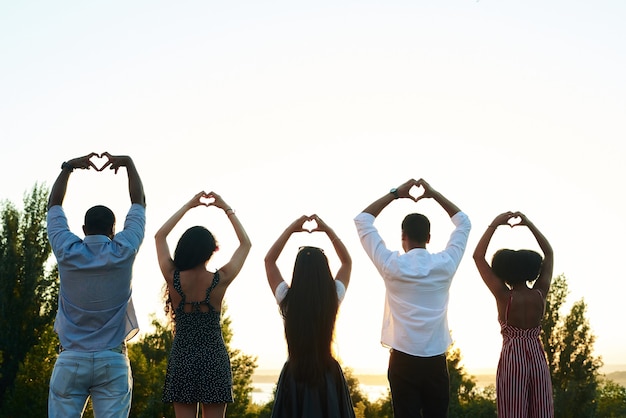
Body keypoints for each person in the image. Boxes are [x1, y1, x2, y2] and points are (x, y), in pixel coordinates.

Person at [354, 178, 471, 418]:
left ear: (402, 236)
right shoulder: (445, 264)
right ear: (429, 237)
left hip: (402, 359)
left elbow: (363, 220)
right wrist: (434, 194)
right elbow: (463, 224)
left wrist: (396, 194)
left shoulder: (391, 265)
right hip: (435, 360)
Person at [47, 152, 146, 418]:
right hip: (112, 361)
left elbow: (53, 206)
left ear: (82, 228)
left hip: (70, 359)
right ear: (114, 230)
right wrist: (128, 164)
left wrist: (68, 168)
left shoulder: (66, 250)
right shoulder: (124, 250)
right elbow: (139, 203)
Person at [155, 191, 251, 418]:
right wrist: (226, 208)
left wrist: (188, 205)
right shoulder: (220, 279)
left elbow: (160, 236)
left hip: (183, 357)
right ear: (211, 251)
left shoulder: (173, 277)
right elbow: (245, 244)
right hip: (213, 357)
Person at [264, 214, 356, 418]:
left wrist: (291, 228)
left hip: (295, 375)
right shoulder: (332, 297)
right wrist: (327, 230)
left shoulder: (287, 299)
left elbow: (269, 261)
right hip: (328, 376)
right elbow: (347, 262)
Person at [472, 211, 554, 418]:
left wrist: (494, 224)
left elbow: (478, 256)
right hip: (536, 355)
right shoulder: (539, 293)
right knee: (542, 410)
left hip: (513, 357)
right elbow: (549, 254)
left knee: (512, 412)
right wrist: (529, 224)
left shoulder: (503, 295)